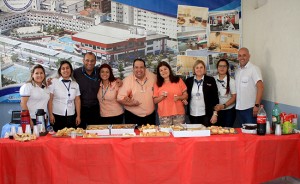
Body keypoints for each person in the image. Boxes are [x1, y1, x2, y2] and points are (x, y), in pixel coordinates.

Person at [117, 58, 156, 126]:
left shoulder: (153, 77)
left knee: (150, 136)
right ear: (133, 69)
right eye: (136, 67)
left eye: (141, 67)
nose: (139, 70)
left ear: (145, 68)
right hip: (132, 117)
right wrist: (131, 103)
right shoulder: (127, 80)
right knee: (133, 136)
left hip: (150, 117)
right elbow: (119, 98)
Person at [48, 61, 81, 132]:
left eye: (67, 68)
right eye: (63, 68)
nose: (65, 70)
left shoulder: (75, 84)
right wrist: (50, 114)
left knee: (70, 138)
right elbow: (50, 99)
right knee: (57, 138)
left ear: (71, 70)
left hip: (71, 116)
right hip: (57, 115)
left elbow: (77, 100)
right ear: (60, 71)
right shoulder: (54, 82)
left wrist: (78, 116)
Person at [235, 47, 264, 126]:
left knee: (251, 134)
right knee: (243, 134)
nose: (242, 58)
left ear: (249, 56)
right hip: (239, 108)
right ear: (238, 57)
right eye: (240, 55)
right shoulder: (237, 71)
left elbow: (260, 87)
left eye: (244, 55)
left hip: (250, 109)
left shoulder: (254, 69)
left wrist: (257, 105)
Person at [185, 60, 219, 127]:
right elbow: (185, 95)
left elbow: (215, 98)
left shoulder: (210, 80)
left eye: (201, 67)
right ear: (194, 70)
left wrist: (215, 114)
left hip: (207, 114)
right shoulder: (188, 81)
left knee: (206, 135)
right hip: (192, 114)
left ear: (204, 69)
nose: (199, 69)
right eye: (197, 67)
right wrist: (184, 100)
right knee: (194, 135)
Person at [73, 52, 101, 128]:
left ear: (95, 61)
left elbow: (110, 76)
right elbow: (64, 76)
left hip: (95, 109)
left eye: (92, 61)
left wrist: (118, 80)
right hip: (80, 109)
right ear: (83, 60)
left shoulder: (99, 71)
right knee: (80, 133)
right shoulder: (76, 73)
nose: (89, 63)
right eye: (87, 60)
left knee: (95, 133)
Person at [214, 59, 236, 127]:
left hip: (228, 111)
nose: (222, 68)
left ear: (227, 68)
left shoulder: (231, 81)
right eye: (220, 66)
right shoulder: (213, 79)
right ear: (217, 68)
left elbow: (234, 97)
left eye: (224, 66)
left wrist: (223, 106)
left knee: (227, 132)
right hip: (216, 111)